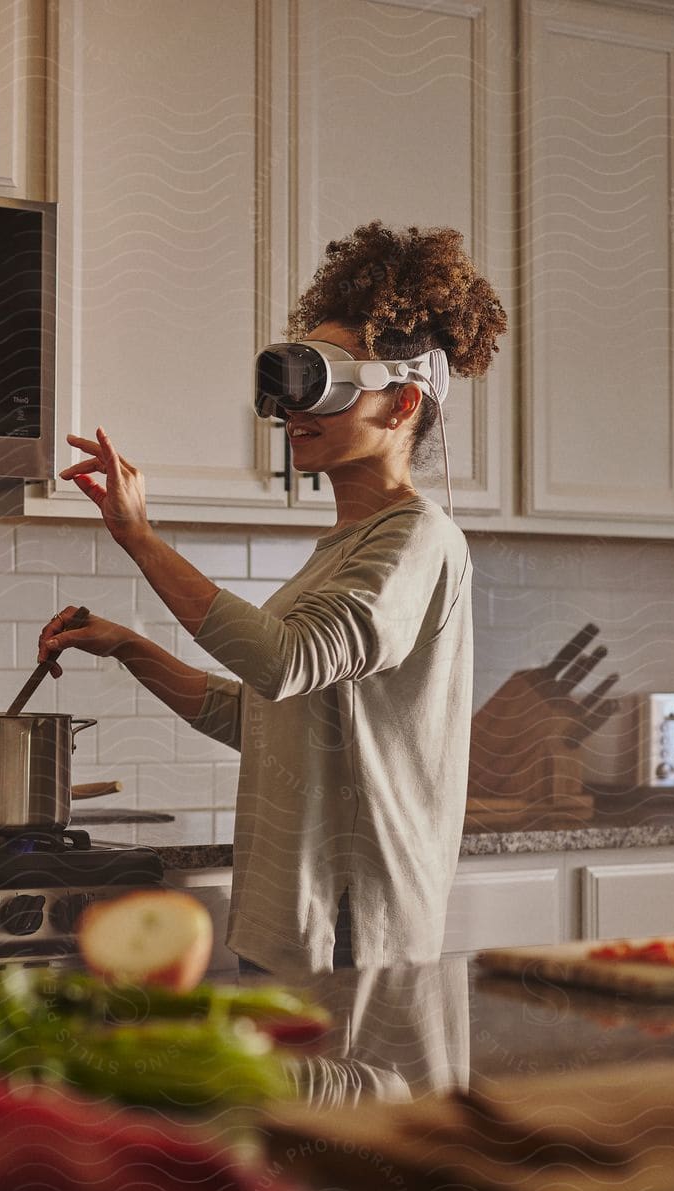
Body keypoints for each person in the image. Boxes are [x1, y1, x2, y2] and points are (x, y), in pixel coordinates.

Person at [35, 221, 507, 974]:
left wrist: (140, 537)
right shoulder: (342, 554)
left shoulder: (419, 539)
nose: (292, 411)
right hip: (291, 923)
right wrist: (130, 648)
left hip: (351, 924)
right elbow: (263, 715)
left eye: (322, 384)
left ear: (402, 403)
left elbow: (283, 661)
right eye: (289, 388)